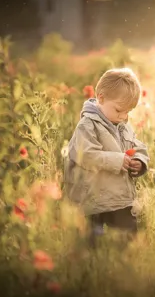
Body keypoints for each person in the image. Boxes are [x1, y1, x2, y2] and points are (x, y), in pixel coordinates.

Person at [63, 68, 150, 247]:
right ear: (101, 98)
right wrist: (118, 161)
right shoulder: (87, 126)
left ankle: (124, 269)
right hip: (93, 200)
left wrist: (140, 162)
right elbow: (85, 155)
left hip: (119, 198)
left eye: (128, 112)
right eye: (119, 110)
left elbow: (137, 146)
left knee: (129, 240)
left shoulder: (123, 124)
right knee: (92, 245)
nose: (124, 116)